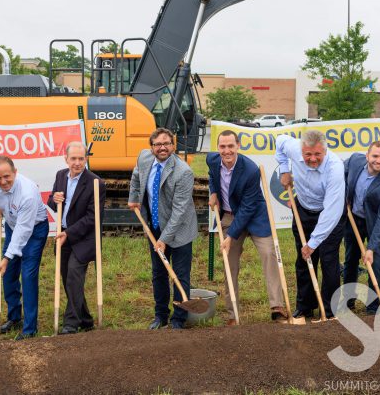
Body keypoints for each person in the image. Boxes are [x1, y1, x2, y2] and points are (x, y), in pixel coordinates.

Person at [207, 130, 286, 325]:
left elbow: (248, 208)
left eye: (231, 146)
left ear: (238, 146)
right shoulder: (212, 160)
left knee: (269, 253)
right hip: (229, 214)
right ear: (218, 148)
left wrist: (230, 235)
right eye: (223, 147)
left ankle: (277, 306)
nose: (227, 151)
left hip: (254, 216)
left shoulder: (250, 169)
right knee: (229, 262)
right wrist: (214, 191)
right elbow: (211, 176)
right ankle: (232, 313)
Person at [128, 128, 197, 330]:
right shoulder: (144, 158)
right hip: (155, 226)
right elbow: (136, 176)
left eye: (167, 143)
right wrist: (133, 198)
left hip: (180, 230)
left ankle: (178, 319)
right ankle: (161, 316)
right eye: (158, 144)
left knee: (180, 274)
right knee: (158, 273)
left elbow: (179, 211)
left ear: (173, 146)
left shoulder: (183, 172)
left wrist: (164, 239)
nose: (162, 147)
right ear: (152, 147)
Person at [275, 130, 345, 320]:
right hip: (303, 211)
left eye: (317, 154)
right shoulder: (293, 148)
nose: (313, 159)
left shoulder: (335, 168)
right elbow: (280, 141)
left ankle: (329, 311)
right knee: (304, 260)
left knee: (329, 261)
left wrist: (313, 243)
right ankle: (305, 307)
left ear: (325, 150)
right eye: (308, 154)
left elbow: (332, 212)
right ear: (301, 150)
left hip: (329, 216)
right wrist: (284, 169)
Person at [47, 142, 106, 335]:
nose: (77, 163)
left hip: (85, 238)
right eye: (73, 159)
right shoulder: (60, 176)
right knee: (69, 280)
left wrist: (69, 233)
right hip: (63, 235)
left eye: (81, 159)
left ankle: (71, 323)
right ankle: (86, 319)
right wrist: (53, 199)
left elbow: (92, 217)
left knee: (73, 273)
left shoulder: (96, 183)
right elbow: (54, 204)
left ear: (86, 159)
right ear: (66, 159)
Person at [0, 156, 49, 340]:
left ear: (15, 172)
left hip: (34, 230)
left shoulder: (28, 193)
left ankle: (30, 328)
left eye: (7, 176)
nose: (3, 181)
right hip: (12, 225)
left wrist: (6, 258)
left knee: (28, 275)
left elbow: (24, 230)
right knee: (8, 275)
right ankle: (14, 317)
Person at [342, 141, 380, 315]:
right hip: (354, 219)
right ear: (367, 156)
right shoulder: (354, 161)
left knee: (374, 263)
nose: (379, 160)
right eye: (375, 156)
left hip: (376, 224)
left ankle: (373, 307)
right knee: (350, 260)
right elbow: (341, 174)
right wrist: (345, 196)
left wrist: (371, 248)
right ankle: (348, 301)